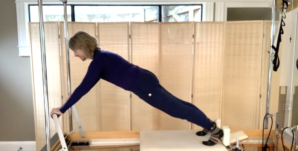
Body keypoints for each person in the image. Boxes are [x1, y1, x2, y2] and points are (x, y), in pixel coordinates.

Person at [50, 31, 224, 146]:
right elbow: (85, 87)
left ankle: (214, 130)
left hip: (143, 84)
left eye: (75, 51)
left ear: (82, 46)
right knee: (179, 104)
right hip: (144, 80)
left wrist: (62, 109)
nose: (75, 55)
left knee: (176, 108)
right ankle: (209, 126)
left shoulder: (99, 61)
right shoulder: (102, 58)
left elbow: (82, 88)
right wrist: (66, 105)